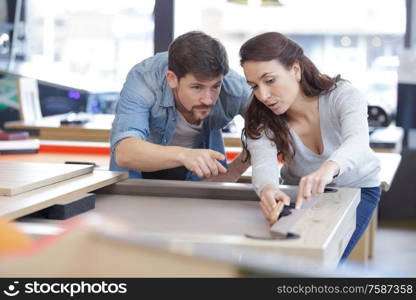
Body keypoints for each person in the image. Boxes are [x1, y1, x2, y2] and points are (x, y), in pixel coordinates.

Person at [239, 32, 381, 262]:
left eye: (270, 80)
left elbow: (358, 141)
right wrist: (268, 190)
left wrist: (329, 168)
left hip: (357, 189)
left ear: (295, 70)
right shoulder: (260, 117)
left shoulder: (343, 95)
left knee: (323, 262)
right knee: (294, 263)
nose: (263, 95)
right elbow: (264, 165)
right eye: (254, 86)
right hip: (301, 194)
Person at [110, 31, 251, 181]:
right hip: (137, 171)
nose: (208, 100)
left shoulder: (234, 87)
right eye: (197, 87)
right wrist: (184, 155)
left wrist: (234, 171)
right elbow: (126, 152)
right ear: (172, 79)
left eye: (215, 86)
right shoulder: (145, 79)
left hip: (199, 177)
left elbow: (271, 129)